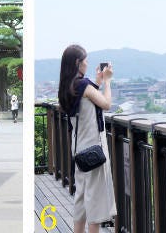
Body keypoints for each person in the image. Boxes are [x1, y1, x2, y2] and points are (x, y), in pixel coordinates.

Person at [58, 45, 116, 232]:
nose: (87, 63)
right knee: (95, 199)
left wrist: (97, 82)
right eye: (85, 60)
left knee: (81, 197)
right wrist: (107, 82)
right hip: (93, 149)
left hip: (79, 148)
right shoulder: (83, 85)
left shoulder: (68, 86)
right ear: (78, 63)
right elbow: (106, 104)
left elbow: (86, 103)